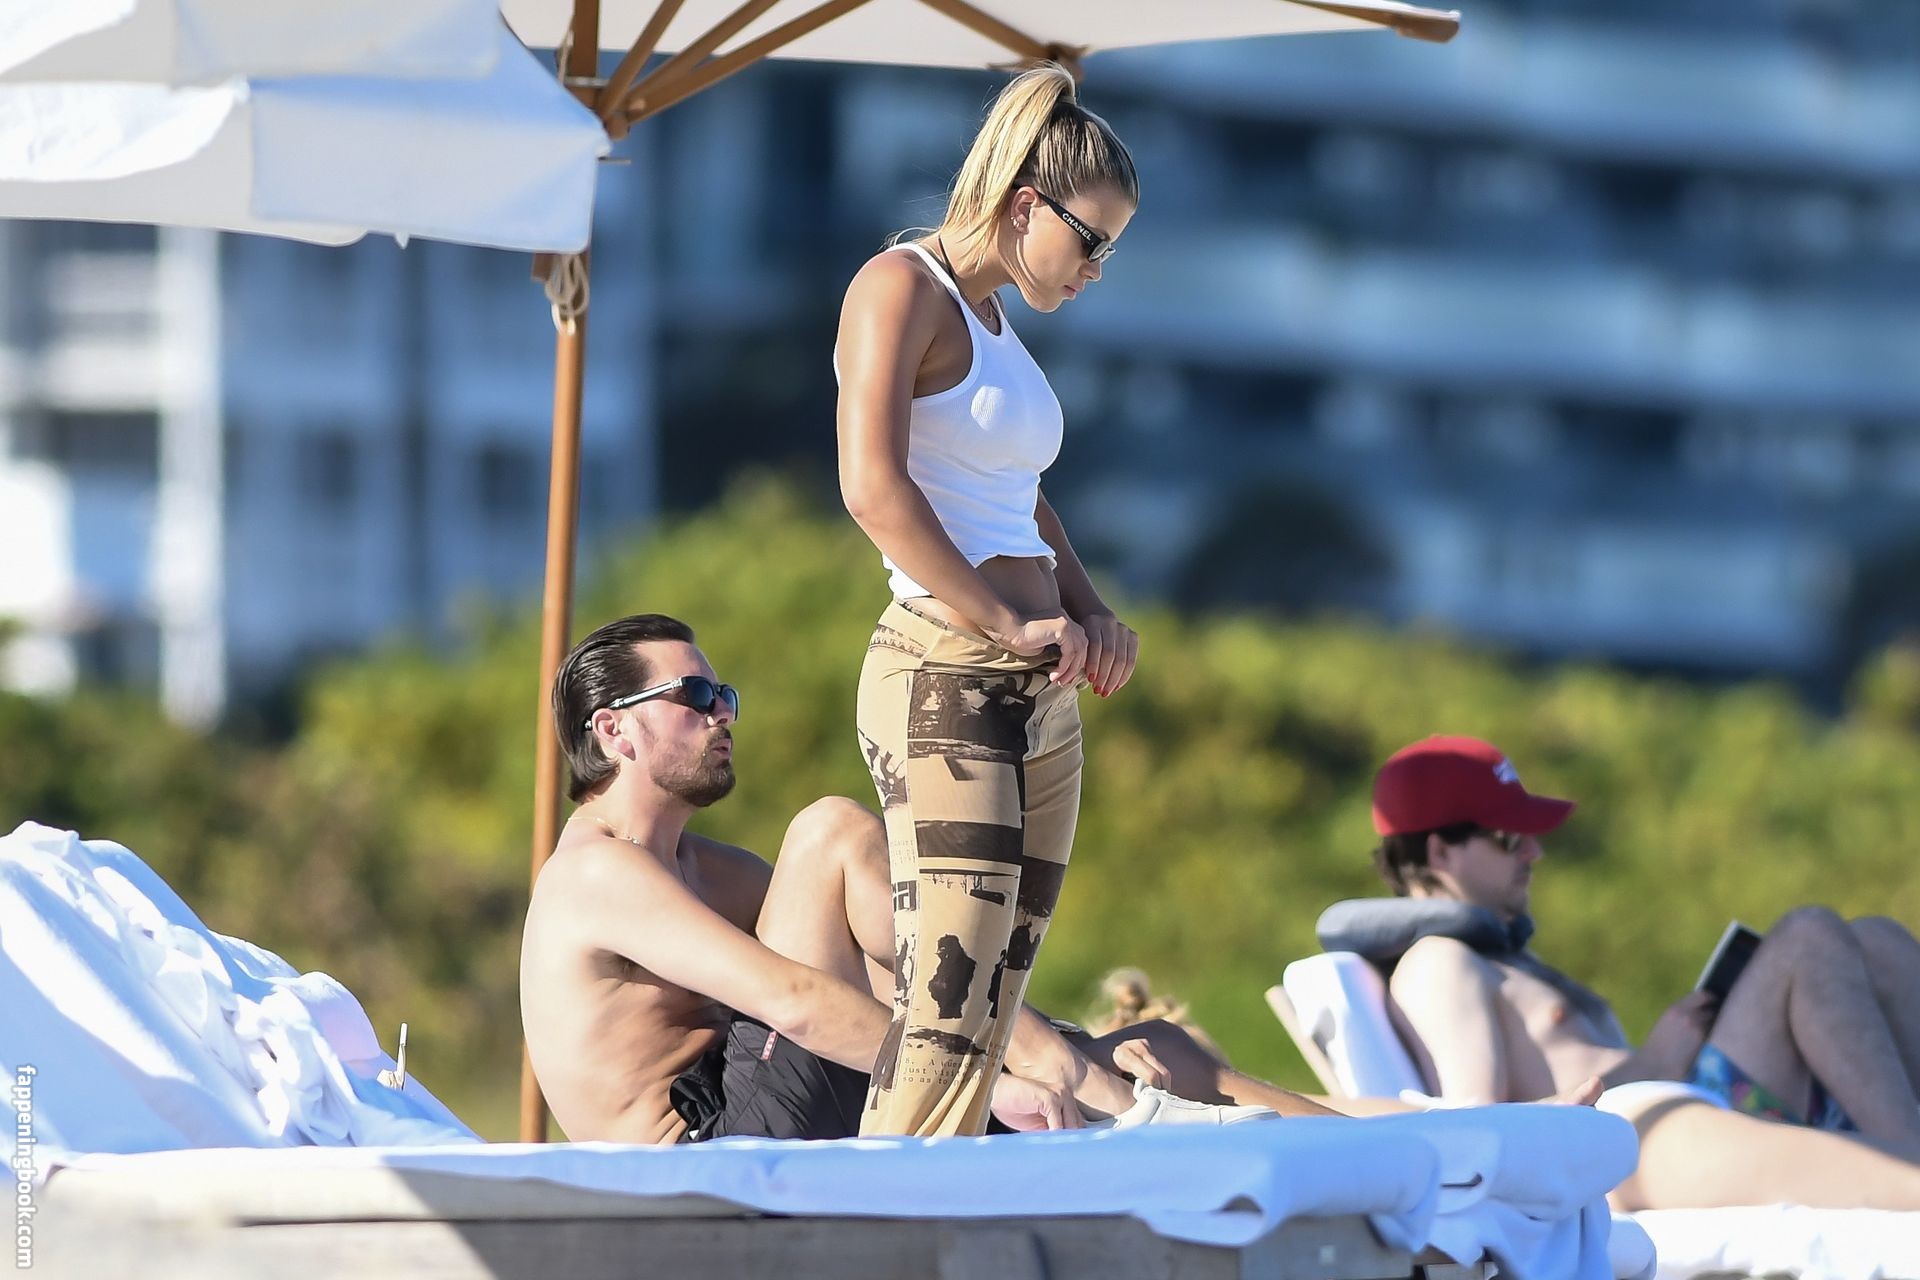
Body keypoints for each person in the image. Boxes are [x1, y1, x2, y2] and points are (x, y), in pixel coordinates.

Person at [521, 614, 1320, 1145]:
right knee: (830, 832)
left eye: (724, 695)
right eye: (696, 697)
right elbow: (794, 1001)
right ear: (613, 729)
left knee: (1160, 1051)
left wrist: (1048, 1045)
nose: (723, 713)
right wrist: (988, 1075)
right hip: (708, 1159)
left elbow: (891, 953)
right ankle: (1064, 1072)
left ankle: (1366, 1143)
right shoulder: (596, 874)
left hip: (779, 1107)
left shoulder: (706, 868)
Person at [834, 62, 1141, 1138]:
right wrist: (1005, 619)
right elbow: (872, 487)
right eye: (1091, 241)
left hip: (1037, 688)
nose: (1096, 269)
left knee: (998, 1000)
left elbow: (1018, 500)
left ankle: (946, 1207)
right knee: (948, 1003)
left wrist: (1088, 608)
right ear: (1024, 204)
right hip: (944, 672)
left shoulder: (994, 321)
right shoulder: (899, 286)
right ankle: (879, 1217)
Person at [1359, 734, 1920, 1208]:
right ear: (1441, 854)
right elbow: (1477, 1134)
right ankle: (1907, 1152)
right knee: (1807, 937)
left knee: (1879, 941)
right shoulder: (1437, 962)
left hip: (1684, 1107)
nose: (1535, 853)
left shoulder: (1498, 960)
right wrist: (1652, 1062)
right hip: (1645, 1150)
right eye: (1510, 839)